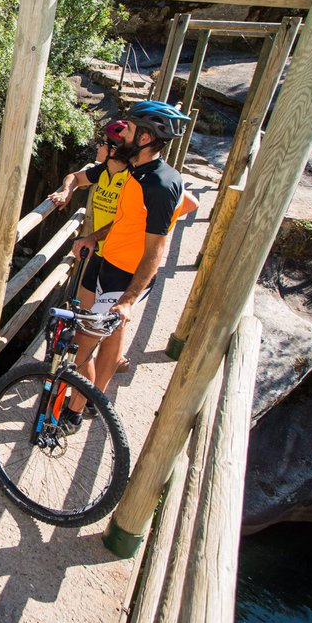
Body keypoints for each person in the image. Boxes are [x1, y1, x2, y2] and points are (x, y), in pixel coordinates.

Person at [47, 101, 193, 430]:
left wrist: (128, 299)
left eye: (128, 129)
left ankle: (73, 412)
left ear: (144, 138)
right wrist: (94, 236)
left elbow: (156, 249)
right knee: (99, 339)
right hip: (107, 261)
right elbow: (126, 222)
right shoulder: (137, 173)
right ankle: (89, 400)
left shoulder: (160, 185)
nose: (121, 133)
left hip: (125, 276)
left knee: (84, 343)